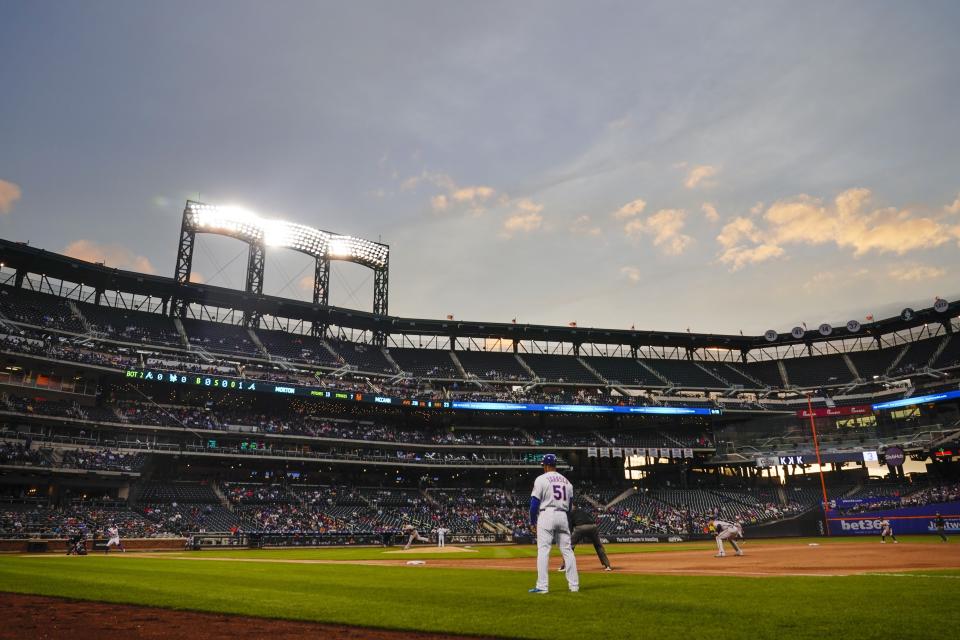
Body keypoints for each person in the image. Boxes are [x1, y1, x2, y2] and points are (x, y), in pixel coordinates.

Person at [528, 453, 578, 594]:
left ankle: (542, 587)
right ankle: (574, 586)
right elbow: (569, 507)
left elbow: (534, 504)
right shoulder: (567, 482)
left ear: (545, 465)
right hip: (562, 515)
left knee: (543, 551)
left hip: (547, 514)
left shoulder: (541, 479)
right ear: (555, 465)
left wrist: (532, 521)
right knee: (567, 551)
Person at [558, 505, 611, 571]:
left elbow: (570, 527)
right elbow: (592, 519)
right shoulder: (583, 510)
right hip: (593, 526)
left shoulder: (570, 513)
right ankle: (607, 566)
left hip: (580, 527)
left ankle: (565, 566)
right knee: (598, 546)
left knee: (569, 546)